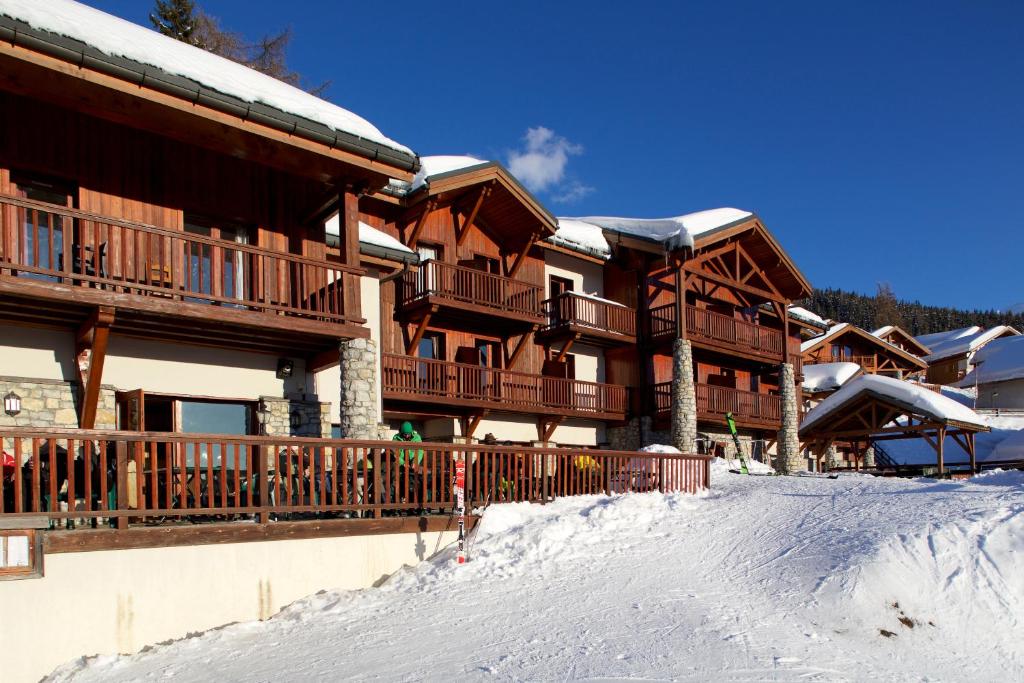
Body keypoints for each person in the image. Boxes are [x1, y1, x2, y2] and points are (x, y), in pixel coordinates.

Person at [392, 422, 424, 513]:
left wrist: (415, 461)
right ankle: (396, 507)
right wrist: (402, 463)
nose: (406, 436)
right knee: (396, 480)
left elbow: (420, 451)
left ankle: (416, 506)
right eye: (404, 434)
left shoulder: (417, 437)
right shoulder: (396, 438)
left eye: (408, 434)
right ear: (401, 432)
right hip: (401, 464)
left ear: (411, 432)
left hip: (413, 463)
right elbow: (395, 453)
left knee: (418, 480)